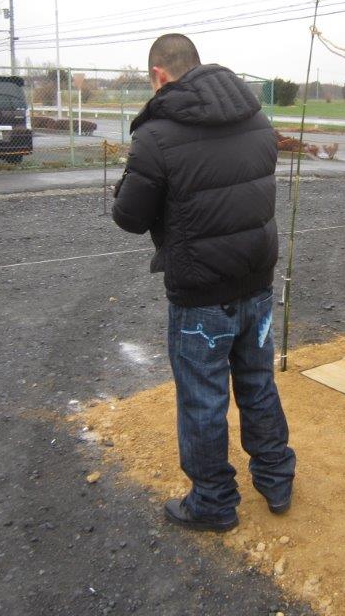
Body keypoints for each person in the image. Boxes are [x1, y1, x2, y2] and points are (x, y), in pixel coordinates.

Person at [111, 34, 295, 531]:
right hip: (256, 281)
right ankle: (277, 478)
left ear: (159, 75)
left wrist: (129, 177)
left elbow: (129, 217)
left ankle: (213, 502)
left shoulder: (156, 134)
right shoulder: (257, 119)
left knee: (203, 398)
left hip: (201, 295)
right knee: (258, 383)